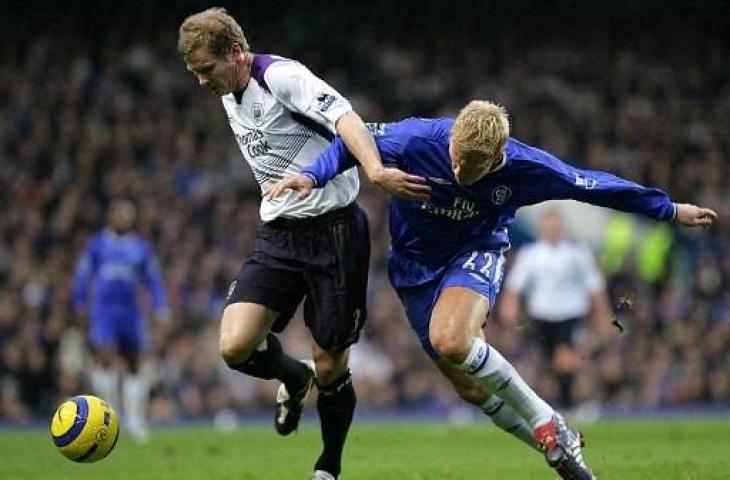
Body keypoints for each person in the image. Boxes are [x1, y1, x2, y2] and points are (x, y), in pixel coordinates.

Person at [265, 100, 717, 480]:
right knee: (471, 390)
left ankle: (547, 420)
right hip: (414, 268)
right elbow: (349, 139)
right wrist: (314, 175)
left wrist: (670, 209)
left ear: (497, 155)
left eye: (472, 164)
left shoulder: (526, 167)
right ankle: (557, 448)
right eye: (456, 156)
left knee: (452, 339)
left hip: (475, 252)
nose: (459, 167)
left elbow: (593, 185)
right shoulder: (418, 140)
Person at [177, 8, 428, 480]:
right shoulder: (230, 90)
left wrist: (374, 171)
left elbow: (346, 117)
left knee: (331, 365)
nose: (201, 82)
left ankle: (328, 467)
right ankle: (293, 378)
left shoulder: (283, 77)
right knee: (235, 345)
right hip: (279, 234)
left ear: (236, 52)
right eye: (194, 74)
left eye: (205, 71)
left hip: (335, 233)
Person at [72, 199, 169, 443]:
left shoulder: (140, 247)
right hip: (104, 312)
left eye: (129, 215)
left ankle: (135, 421)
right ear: (111, 217)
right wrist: (80, 303)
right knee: (105, 358)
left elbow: (153, 279)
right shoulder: (96, 245)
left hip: (131, 313)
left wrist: (161, 308)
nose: (125, 219)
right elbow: (83, 275)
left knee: (135, 364)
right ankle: (110, 417)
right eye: (121, 214)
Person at [500, 209, 613, 409]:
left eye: (556, 225)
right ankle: (560, 404)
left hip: (569, 314)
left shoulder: (577, 253)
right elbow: (515, 285)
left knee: (565, 360)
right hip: (540, 316)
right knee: (549, 364)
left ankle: (570, 404)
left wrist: (603, 315)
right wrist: (510, 306)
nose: (552, 229)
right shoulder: (531, 254)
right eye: (548, 225)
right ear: (542, 228)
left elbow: (595, 285)